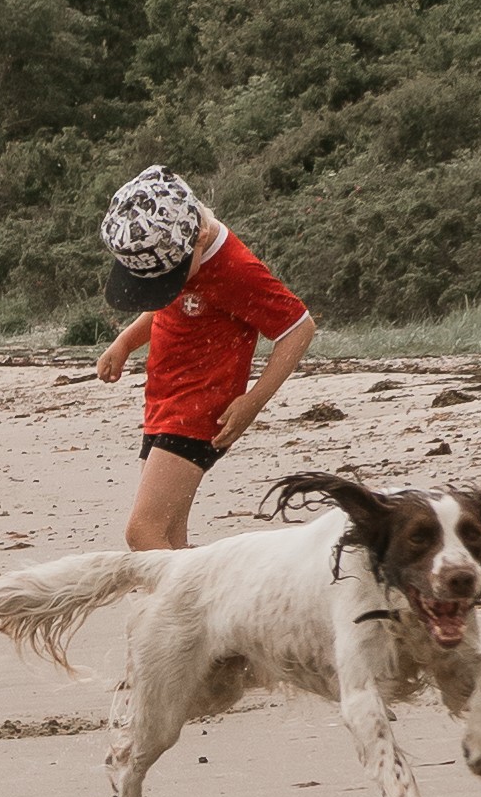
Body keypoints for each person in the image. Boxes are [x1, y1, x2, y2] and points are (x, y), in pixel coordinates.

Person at [91, 164, 316, 549]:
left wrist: (252, 402)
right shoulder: (179, 251)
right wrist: (126, 342)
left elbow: (299, 327)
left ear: (199, 236)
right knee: (170, 537)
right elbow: (168, 303)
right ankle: (190, 609)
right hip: (164, 403)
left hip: (199, 414)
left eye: (166, 278)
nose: (164, 287)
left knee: (143, 532)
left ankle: (186, 610)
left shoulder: (235, 269)